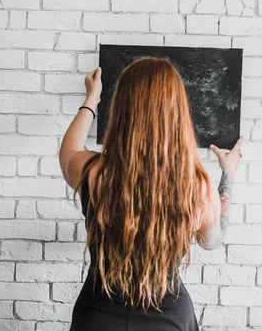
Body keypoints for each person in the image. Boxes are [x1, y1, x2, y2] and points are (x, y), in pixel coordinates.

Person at [59, 57, 243, 331]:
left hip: (97, 318)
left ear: (121, 108)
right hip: (168, 320)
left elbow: (69, 150)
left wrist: (92, 98)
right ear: (178, 111)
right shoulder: (197, 187)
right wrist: (227, 176)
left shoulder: (95, 174)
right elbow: (211, 241)